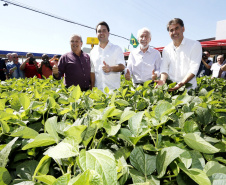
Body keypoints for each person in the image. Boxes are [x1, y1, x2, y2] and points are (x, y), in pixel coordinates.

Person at [155, 18, 202, 91]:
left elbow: (194, 68)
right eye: (171, 30)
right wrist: (163, 80)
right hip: (171, 87)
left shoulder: (195, 45)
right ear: (169, 33)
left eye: (177, 28)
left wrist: (182, 83)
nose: (174, 32)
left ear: (183, 29)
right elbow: (164, 68)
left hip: (189, 89)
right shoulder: (166, 49)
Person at [90, 21, 125, 92]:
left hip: (113, 93)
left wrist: (110, 68)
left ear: (108, 33)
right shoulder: (93, 52)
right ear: (96, 34)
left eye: (104, 30)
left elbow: (122, 66)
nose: (101, 33)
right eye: (99, 31)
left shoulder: (117, 49)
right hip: (98, 93)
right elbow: (92, 72)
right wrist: (92, 89)